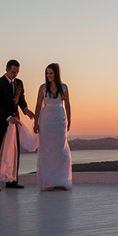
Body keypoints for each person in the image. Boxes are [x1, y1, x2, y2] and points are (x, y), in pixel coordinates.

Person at [0, 59, 35, 192]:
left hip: (16, 123)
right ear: (7, 69)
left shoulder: (19, 83)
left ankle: (12, 180)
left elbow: (21, 100)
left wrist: (26, 110)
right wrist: (9, 118)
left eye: (17, 72)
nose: (15, 75)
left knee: (14, 151)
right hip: (1, 123)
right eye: (13, 72)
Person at [33, 63, 72, 191]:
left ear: (56, 73)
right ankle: (49, 181)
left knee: (60, 150)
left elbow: (67, 105)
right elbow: (38, 105)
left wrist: (69, 121)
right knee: (47, 150)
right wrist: (36, 122)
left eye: (51, 73)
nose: (48, 76)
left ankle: (61, 180)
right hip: (46, 120)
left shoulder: (64, 87)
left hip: (60, 120)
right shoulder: (43, 88)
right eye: (47, 73)